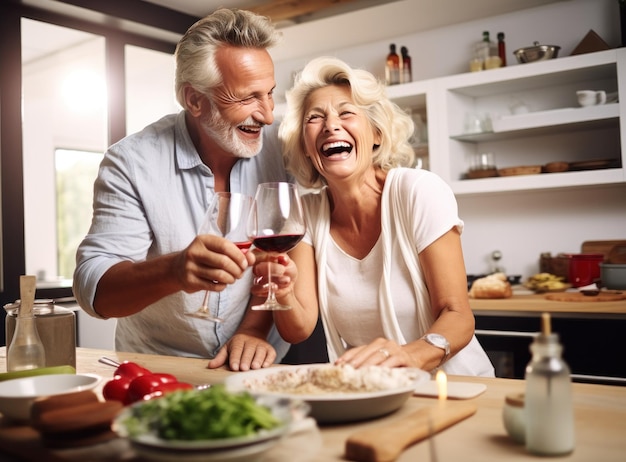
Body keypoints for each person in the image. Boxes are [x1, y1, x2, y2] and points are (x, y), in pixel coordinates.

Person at [73, 8, 290, 371]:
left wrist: (254, 329)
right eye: (247, 98)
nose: (267, 114)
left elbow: (289, 260)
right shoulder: (131, 162)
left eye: (269, 94)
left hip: (256, 369)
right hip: (157, 369)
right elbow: (93, 288)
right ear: (194, 100)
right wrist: (174, 270)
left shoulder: (283, 148)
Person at [253, 56, 494, 376]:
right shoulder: (305, 214)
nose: (331, 125)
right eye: (315, 118)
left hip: (454, 387)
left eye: (346, 112)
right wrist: (282, 293)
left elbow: (458, 315)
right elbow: (298, 330)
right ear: (307, 147)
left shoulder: (418, 191)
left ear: (376, 134)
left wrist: (411, 355)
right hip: (375, 392)